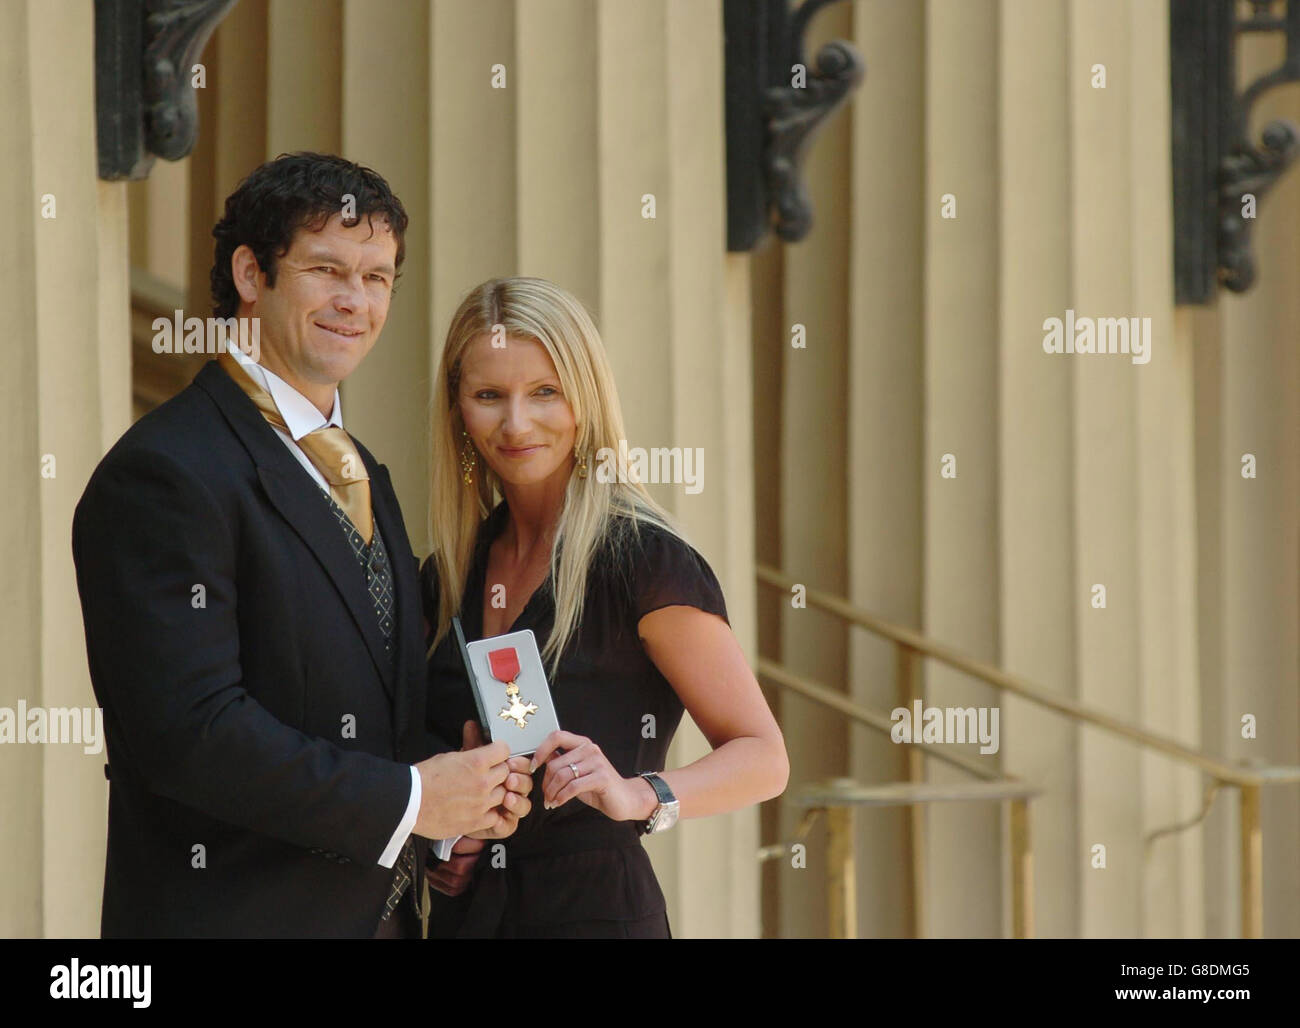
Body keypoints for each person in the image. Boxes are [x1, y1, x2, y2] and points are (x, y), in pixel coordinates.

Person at [72, 153, 531, 939]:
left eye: (378, 277)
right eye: (327, 269)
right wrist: (415, 800)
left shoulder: (361, 470)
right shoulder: (165, 472)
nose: (356, 301)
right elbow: (191, 732)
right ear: (251, 273)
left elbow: (358, 708)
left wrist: (459, 798)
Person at [421, 277, 789, 938]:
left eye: (544, 393)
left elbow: (764, 756)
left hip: (596, 915)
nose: (516, 423)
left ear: (584, 399)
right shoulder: (447, 575)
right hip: (468, 919)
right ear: (458, 411)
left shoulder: (644, 562)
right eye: (488, 396)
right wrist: (445, 842)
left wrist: (639, 794)